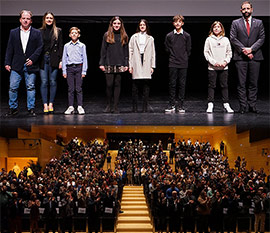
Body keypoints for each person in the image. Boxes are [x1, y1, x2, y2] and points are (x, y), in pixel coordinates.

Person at [4, 10, 43, 117]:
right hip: (16, 65)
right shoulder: (13, 32)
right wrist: (7, 62)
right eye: (24, 18)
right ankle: (13, 108)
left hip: (31, 64)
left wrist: (33, 59)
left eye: (28, 19)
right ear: (20, 19)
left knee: (30, 87)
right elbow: (9, 48)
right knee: (13, 87)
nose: (25, 20)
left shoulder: (36, 33)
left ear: (31, 21)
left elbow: (40, 48)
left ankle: (31, 108)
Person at [230, 1, 265, 114]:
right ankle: (243, 106)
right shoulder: (235, 23)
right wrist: (245, 50)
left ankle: (252, 105)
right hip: (240, 57)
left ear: (252, 9)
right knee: (241, 83)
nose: (246, 11)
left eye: (248, 8)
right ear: (241, 10)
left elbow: (261, 38)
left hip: (255, 56)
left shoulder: (259, 23)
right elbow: (233, 38)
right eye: (244, 9)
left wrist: (251, 49)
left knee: (253, 83)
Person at [99, 16, 129, 113]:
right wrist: (101, 63)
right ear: (112, 24)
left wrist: (126, 64)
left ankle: (115, 106)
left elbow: (126, 51)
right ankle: (109, 104)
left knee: (117, 84)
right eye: (115, 23)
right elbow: (103, 50)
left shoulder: (124, 35)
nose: (116, 25)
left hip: (120, 63)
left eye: (118, 23)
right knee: (109, 84)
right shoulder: (107, 35)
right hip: (108, 63)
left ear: (121, 25)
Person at [204, 21, 234, 113]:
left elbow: (229, 52)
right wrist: (213, 62)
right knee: (212, 86)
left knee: (224, 85)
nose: (216, 28)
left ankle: (226, 104)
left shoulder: (226, 40)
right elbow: (206, 52)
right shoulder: (209, 39)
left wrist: (225, 61)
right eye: (215, 27)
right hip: (212, 67)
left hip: (224, 67)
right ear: (212, 29)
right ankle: (210, 104)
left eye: (218, 27)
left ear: (221, 29)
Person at [164, 14, 191, 113]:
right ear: (173, 23)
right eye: (176, 21)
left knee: (182, 84)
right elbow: (167, 48)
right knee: (172, 84)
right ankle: (172, 104)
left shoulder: (187, 36)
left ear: (182, 23)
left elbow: (188, 49)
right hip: (173, 62)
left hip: (183, 63)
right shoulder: (169, 35)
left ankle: (181, 105)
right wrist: (173, 56)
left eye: (179, 21)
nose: (177, 23)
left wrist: (184, 58)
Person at [129, 19, 156, 112]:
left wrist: (152, 66)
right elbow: (130, 51)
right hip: (136, 60)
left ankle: (145, 108)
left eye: (144, 25)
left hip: (146, 62)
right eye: (140, 25)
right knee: (135, 86)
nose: (142, 26)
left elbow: (153, 53)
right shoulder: (134, 37)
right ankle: (135, 108)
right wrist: (130, 65)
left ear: (146, 26)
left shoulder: (150, 38)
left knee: (146, 86)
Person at [40, 11, 63, 114]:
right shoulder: (39, 31)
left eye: (51, 18)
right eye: (47, 18)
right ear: (44, 20)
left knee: (53, 81)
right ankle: (45, 104)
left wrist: (61, 60)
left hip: (54, 58)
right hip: (43, 58)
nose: (49, 19)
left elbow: (60, 46)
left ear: (53, 20)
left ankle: (51, 103)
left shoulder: (58, 31)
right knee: (44, 82)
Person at [62, 27, 88, 114]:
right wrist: (64, 71)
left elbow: (85, 59)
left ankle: (80, 106)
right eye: (72, 33)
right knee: (70, 89)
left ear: (78, 35)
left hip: (79, 68)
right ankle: (70, 106)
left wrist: (84, 71)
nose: (74, 34)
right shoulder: (66, 46)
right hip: (69, 68)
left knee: (78, 88)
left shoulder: (82, 45)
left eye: (75, 33)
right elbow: (64, 58)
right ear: (69, 35)